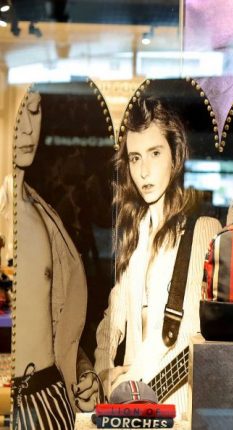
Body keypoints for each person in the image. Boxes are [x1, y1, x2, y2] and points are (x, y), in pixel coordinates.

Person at [75, 97, 221, 420]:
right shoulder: (135, 234)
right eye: (135, 157)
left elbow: (191, 333)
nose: (144, 171)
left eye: (155, 153)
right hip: (133, 410)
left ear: (175, 156)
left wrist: (131, 379)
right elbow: (111, 321)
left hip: (178, 409)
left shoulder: (202, 230)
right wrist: (102, 375)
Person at [12, 89, 86, 429]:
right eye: (18, 114)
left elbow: (62, 329)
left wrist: (83, 370)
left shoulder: (46, 220)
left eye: (35, 110)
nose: (28, 128)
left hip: (48, 398)